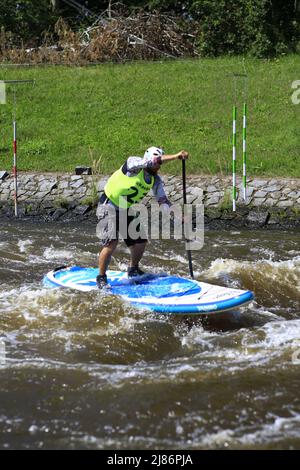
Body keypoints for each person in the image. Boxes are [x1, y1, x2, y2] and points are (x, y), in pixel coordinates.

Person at [96, 146, 189, 288]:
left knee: (140, 241)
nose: (158, 166)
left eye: (160, 164)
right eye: (158, 163)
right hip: (108, 204)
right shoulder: (133, 164)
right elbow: (152, 161)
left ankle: (133, 270)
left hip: (125, 208)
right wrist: (176, 156)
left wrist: (179, 216)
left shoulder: (155, 180)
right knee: (111, 243)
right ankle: (101, 278)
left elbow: (163, 201)